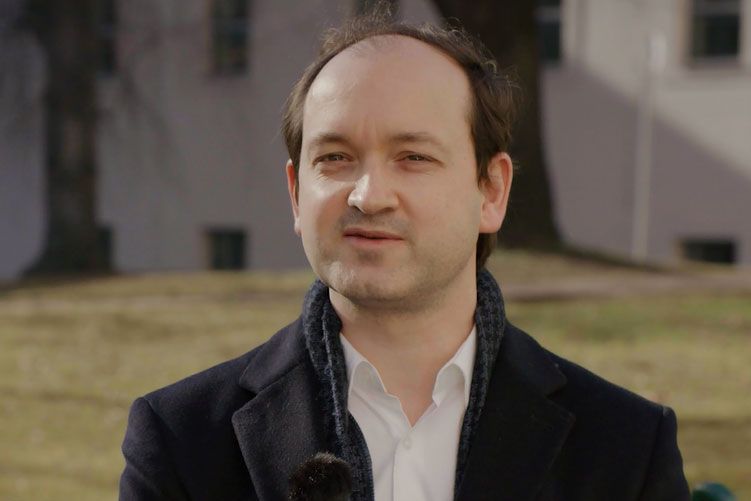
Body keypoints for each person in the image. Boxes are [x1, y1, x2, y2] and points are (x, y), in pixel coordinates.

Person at [119, 12, 690, 501]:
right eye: (335, 158)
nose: (369, 196)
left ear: (491, 191)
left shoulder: (625, 448)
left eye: (414, 157)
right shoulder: (181, 439)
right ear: (295, 194)